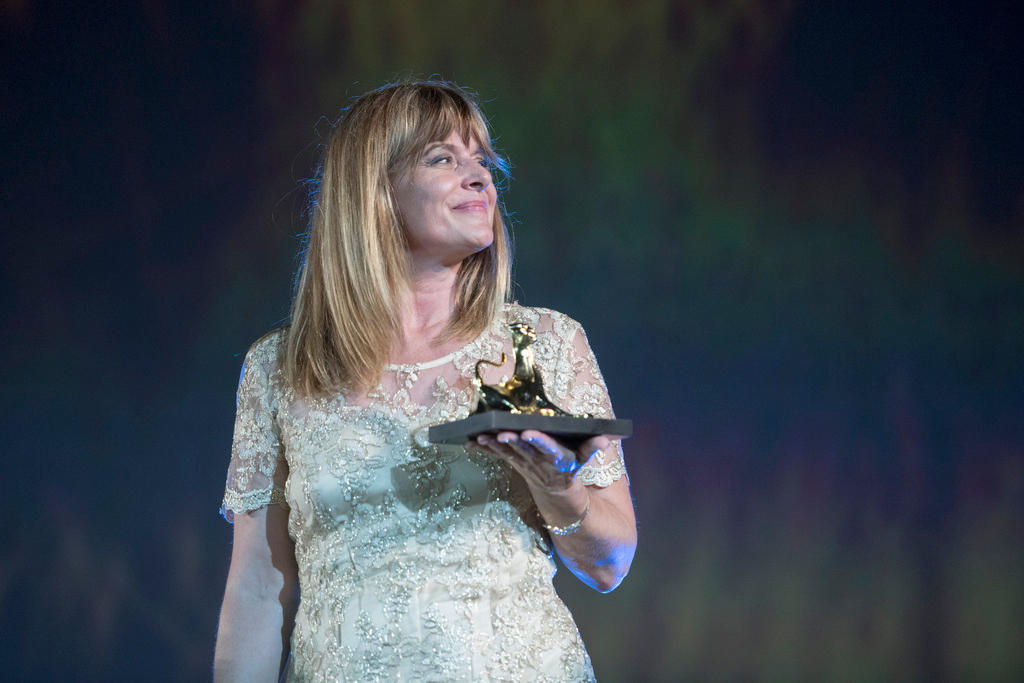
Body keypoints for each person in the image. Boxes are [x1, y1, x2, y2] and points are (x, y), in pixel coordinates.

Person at [213, 79, 637, 682]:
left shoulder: (543, 345)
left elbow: (610, 564)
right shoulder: (280, 369)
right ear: (375, 191)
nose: (480, 177)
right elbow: (259, 586)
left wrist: (560, 488)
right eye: (443, 158)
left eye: (483, 162)